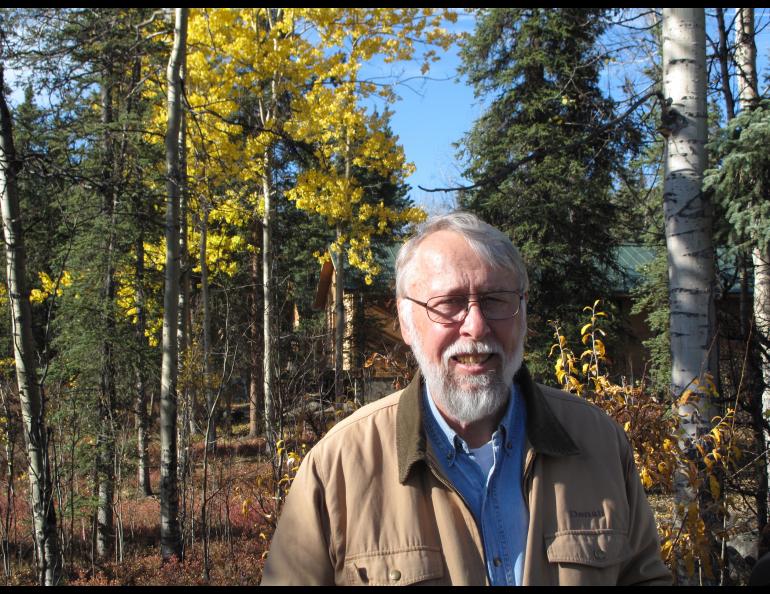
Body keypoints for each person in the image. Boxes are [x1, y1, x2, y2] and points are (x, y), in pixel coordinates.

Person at [261, 212, 671, 586]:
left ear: (523, 312)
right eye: (449, 304)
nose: (476, 325)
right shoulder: (339, 467)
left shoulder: (597, 442)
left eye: (496, 301)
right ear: (406, 321)